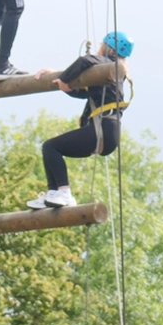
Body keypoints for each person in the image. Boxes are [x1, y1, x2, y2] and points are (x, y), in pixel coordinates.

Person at [27, 32, 132, 209]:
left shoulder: (109, 63)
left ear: (109, 48)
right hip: (106, 130)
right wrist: (62, 81)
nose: (98, 48)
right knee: (50, 147)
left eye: (101, 45)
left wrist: (63, 78)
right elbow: (84, 93)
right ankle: (53, 193)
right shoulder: (109, 72)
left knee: (51, 147)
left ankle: (64, 192)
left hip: (104, 129)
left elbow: (84, 61)